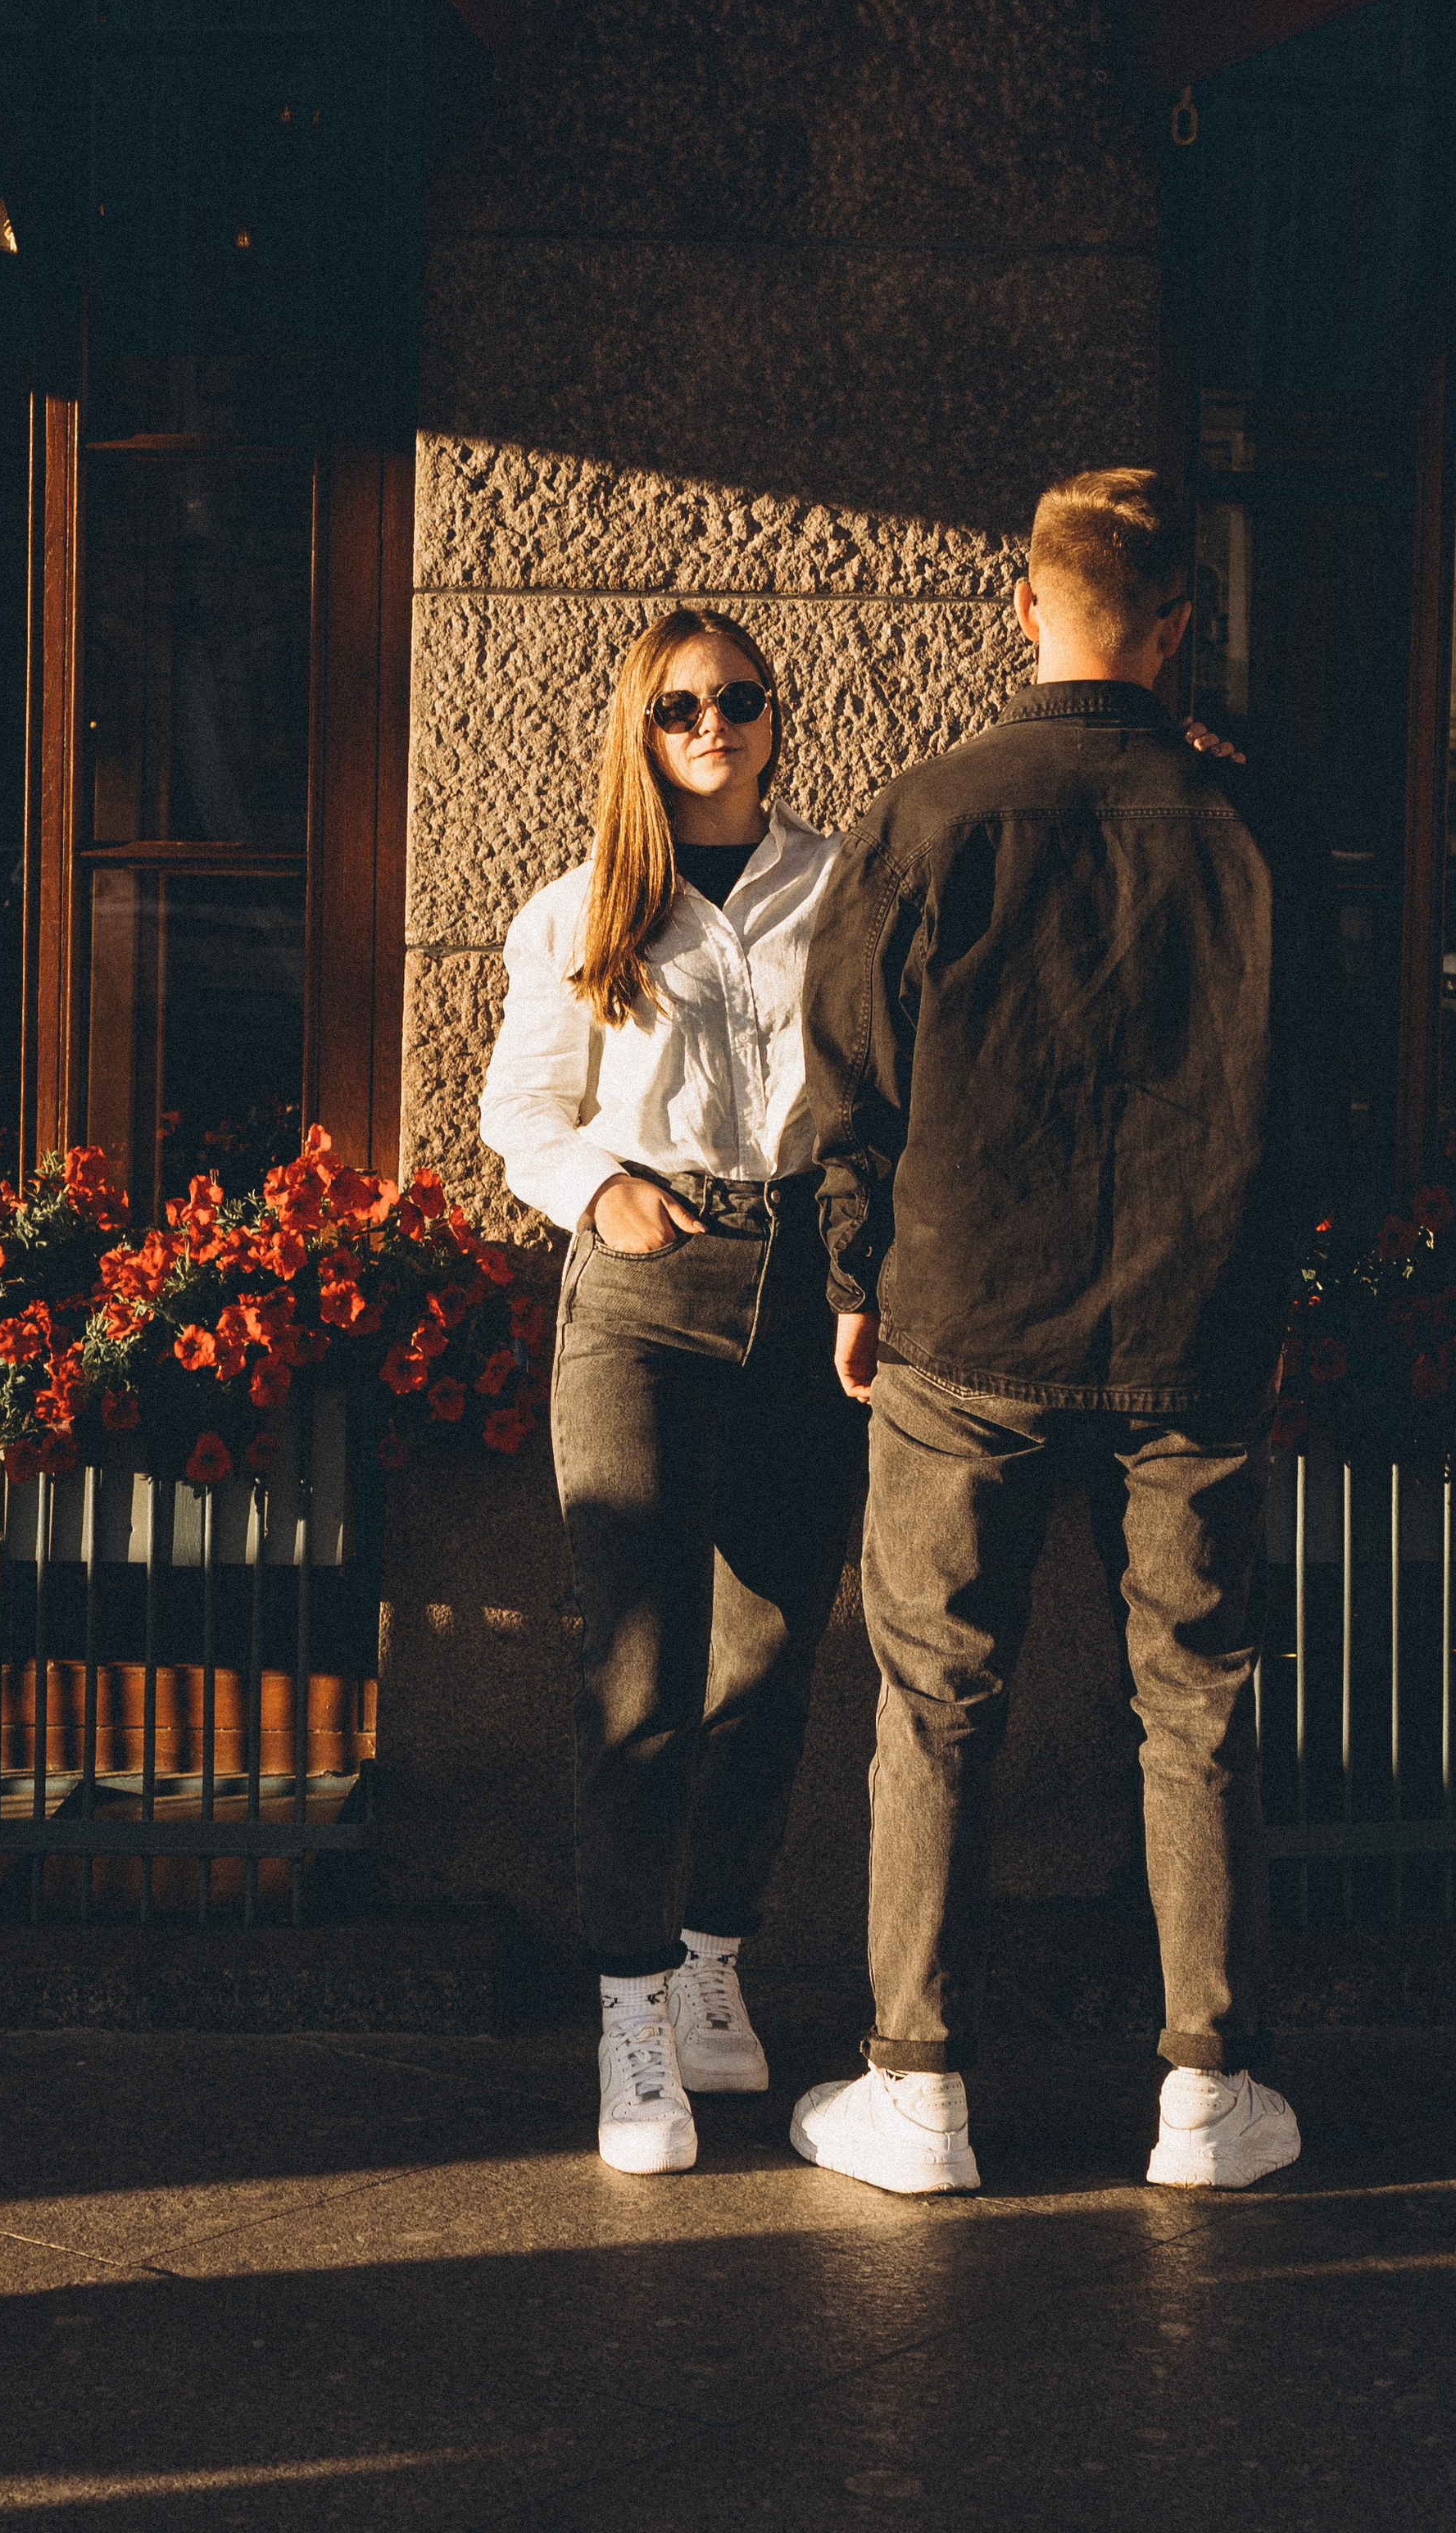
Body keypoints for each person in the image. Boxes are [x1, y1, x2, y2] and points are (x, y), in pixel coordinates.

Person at [792, 466, 1341, 2198]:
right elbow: (1327, 1105)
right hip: (1192, 1338)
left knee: (933, 1704)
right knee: (1192, 1705)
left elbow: (846, 1090)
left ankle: (919, 2087)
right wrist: (1271, 1308)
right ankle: (1203, 2091)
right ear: (1179, 622)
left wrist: (854, 1281)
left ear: (1023, 610)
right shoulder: (1255, 829)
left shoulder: (932, 811)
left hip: (960, 1328)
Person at [479, 608, 861, 2174]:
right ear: (641, 729)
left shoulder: (841, 890)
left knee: (771, 1652)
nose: (713, 724)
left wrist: (870, 1274)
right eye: (682, 705)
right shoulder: (579, 910)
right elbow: (520, 1108)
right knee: (639, 1662)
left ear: (776, 723)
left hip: (809, 1297)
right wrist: (599, 1190)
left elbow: (880, 1097)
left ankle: (712, 1954)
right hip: (646, 1292)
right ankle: (629, 2014)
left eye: (741, 700)